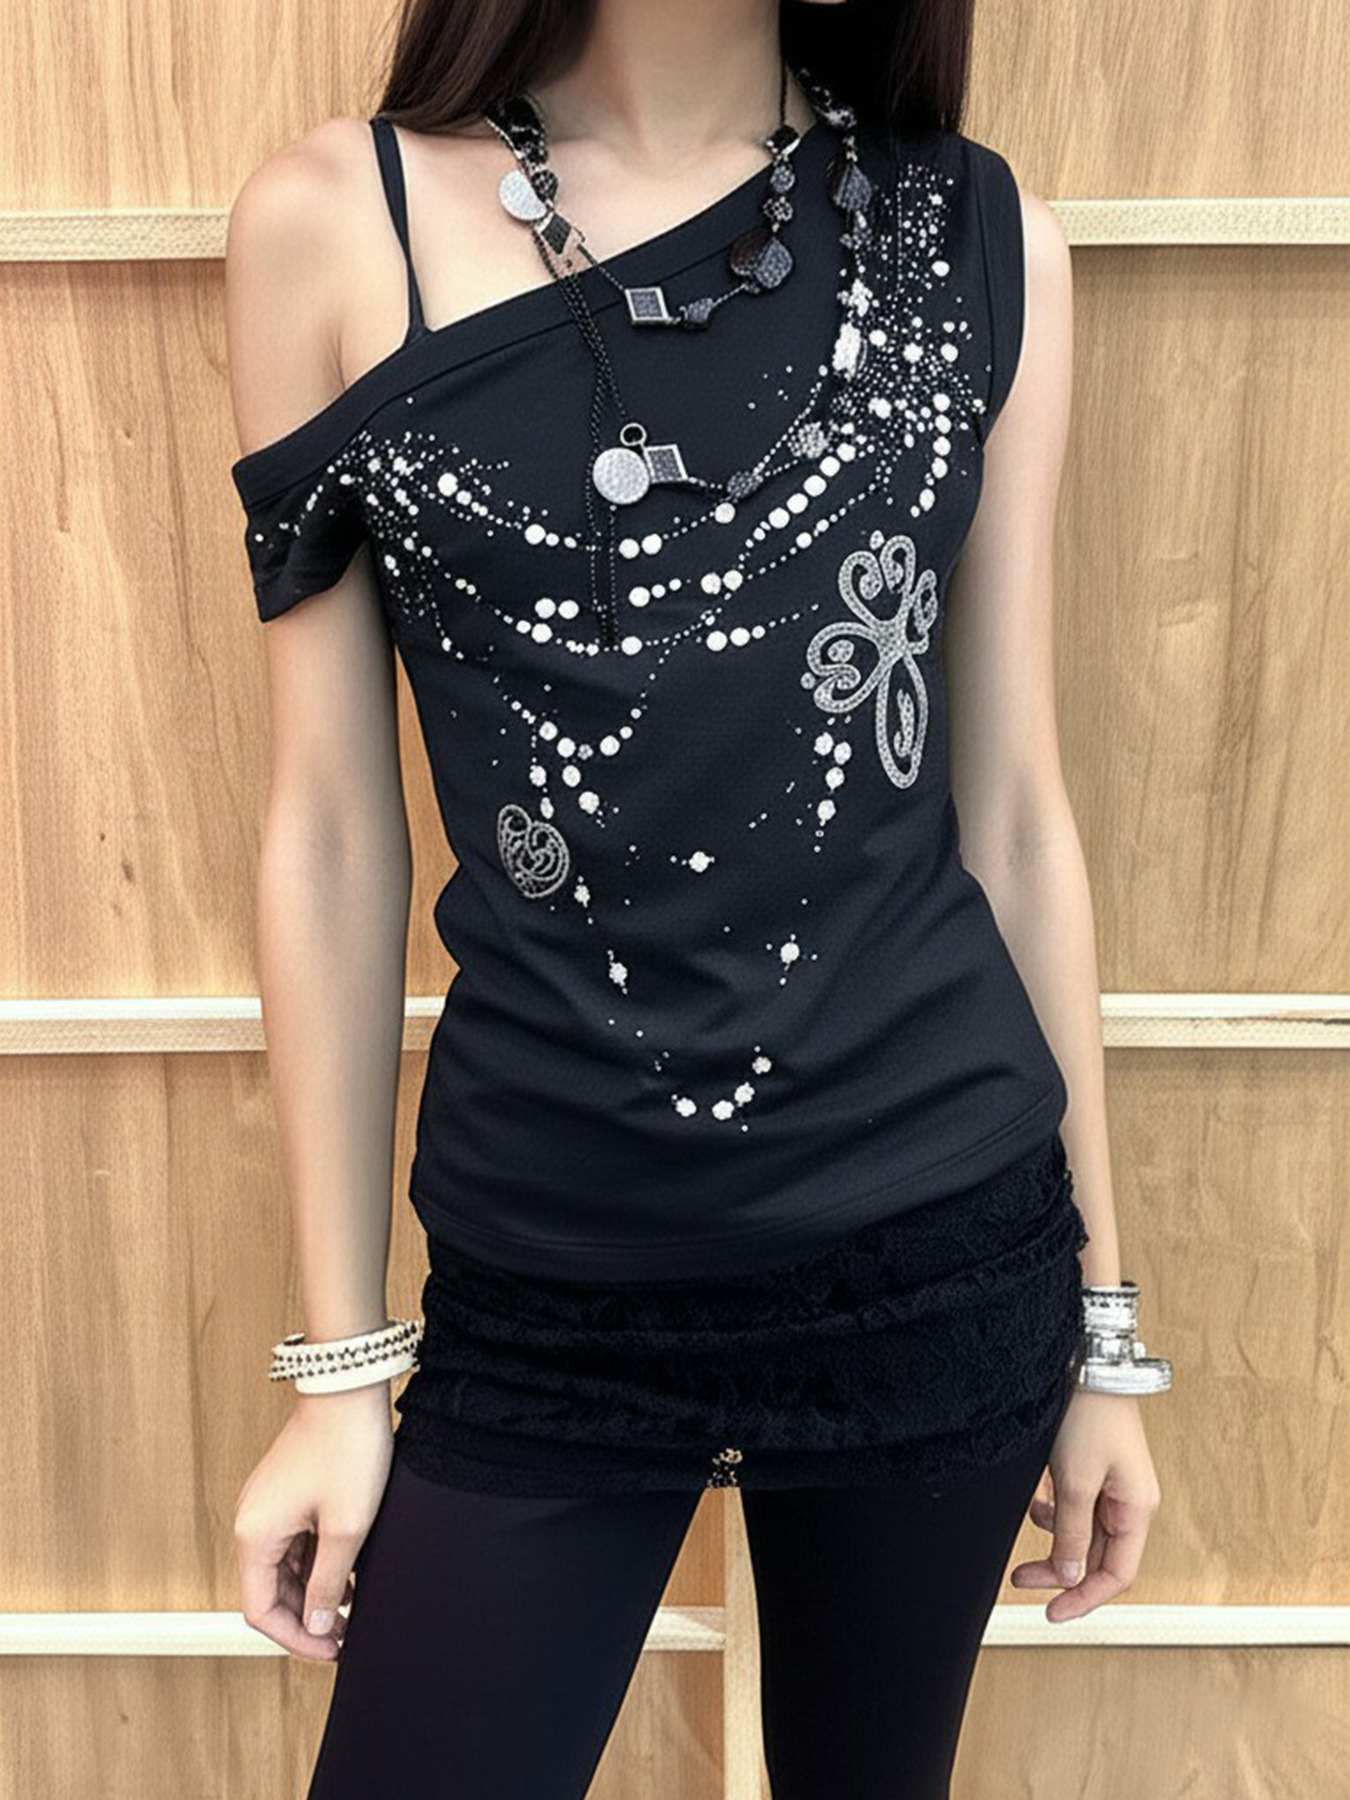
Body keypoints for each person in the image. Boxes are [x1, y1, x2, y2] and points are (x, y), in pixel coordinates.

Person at [225, 1, 1170, 1794]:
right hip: (548, 1279)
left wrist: (1104, 1334)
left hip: (939, 1251)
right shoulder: (336, 226)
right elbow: (333, 832)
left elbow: (1013, 813)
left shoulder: (976, 237)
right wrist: (339, 1368)